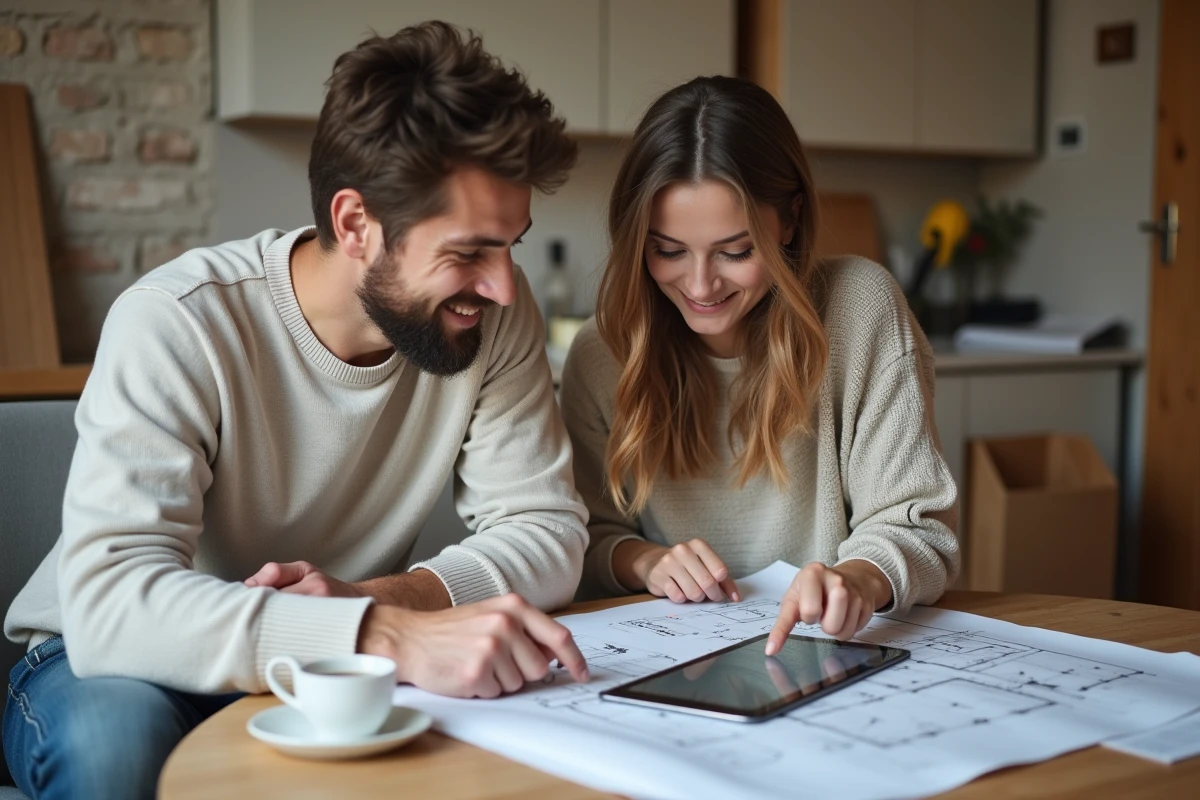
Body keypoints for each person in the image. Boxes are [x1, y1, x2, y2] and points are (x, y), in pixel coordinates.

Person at [3, 21, 590, 800]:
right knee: (119, 752)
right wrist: (380, 633)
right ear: (355, 225)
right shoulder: (180, 321)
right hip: (109, 660)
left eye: (512, 245)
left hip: (326, 655)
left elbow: (549, 534)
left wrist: (380, 602)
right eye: (469, 253)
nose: (505, 287)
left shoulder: (492, 323)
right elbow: (114, 604)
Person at [561, 76, 959, 655]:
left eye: (736, 251)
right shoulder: (603, 351)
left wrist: (859, 579)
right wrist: (643, 561)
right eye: (667, 250)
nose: (699, 285)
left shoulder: (860, 308)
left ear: (790, 220)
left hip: (828, 653)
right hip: (671, 656)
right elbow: (578, 540)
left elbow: (920, 528)